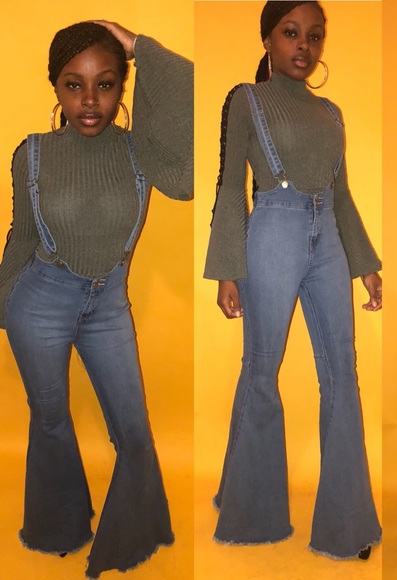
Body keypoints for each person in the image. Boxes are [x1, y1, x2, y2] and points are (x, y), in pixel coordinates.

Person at [0, 20, 193, 579]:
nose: (89, 100)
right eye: (74, 84)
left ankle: (133, 535)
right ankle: (58, 528)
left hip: (108, 307)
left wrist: (140, 47)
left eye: (105, 84)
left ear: (122, 87)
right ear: (56, 88)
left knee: (134, 432)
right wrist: (4, 305)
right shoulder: (32, 154)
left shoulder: (142, 152)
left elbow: (187, 178)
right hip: (39, 302)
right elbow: (20, 236)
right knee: (50, 421)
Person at [204, 0, 381, 561]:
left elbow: (343, 194)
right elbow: (230, 186)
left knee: (342, 373)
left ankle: (346, 525)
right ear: (267, 40)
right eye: (290, 33)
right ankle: (251, 515)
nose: (304, 45)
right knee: (261, 369)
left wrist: (365, 263)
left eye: (314, 35)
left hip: (328, 237)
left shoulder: (332, 113)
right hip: (272, 232)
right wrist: (227, 268)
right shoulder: (246, 99)